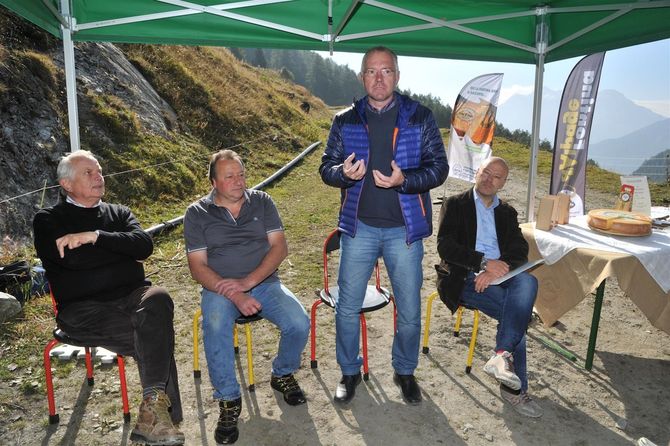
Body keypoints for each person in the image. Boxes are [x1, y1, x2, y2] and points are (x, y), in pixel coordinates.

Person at [320, 46, 449, 405]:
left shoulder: (419, 116)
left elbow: (439, 168)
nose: (379, 78)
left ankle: (404, 371)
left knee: (408, 309)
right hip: (358, 228)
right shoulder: (344, 120)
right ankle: (349, 371)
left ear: (397, 75)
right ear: (362, 77)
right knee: (347, 307)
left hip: (403, 232)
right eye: (372, 71)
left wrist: (403, 180)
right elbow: (326, 167)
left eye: (386, 71)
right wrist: (342, 174)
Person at [33, 150, 184, 445]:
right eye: (88, 173)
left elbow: (143, 247)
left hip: (133, 296)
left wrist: (96, 237)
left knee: (158, 299)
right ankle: (159, 419)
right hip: (82, 310)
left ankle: (154, 417)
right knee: (154, 333)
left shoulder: (119, 213)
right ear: (66, 184)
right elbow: (73, 261)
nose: (98, 177)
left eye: (99, 171)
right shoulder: (49, 219)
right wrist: (120, 252)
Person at [184, 150, 310, 444]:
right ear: (214, 181)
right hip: (220, 288)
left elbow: (279, 247)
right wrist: (236, 293)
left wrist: (249, 282)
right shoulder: (197, 213)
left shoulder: (263, 202)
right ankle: (228, 400)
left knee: (299, 322)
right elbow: (197, 266)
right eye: (229, 176)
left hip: (264, 282)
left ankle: (282, 373)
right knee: (214, 324)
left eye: (241, 174)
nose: (238, 181)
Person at [436, 156, 543, 418]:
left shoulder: (506, 212)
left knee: (528, 280)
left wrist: (499, 266)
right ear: (477, 173)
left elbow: (519, 249)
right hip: (464, 277)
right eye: (486, 172)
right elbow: (445, 247)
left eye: (496, 177)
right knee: (518, 315)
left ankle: (501, 357)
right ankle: (515, 390)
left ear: (503, 184)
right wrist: (482, 264)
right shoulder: (455, 204)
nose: (489, 179)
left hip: (500, 275)